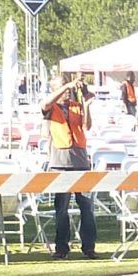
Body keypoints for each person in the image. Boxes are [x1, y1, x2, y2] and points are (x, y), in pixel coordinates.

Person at [42, 73, 98, 259]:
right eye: (63, 86)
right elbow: (44, 104)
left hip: (80, 161)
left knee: (86, 206)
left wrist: (87, 105)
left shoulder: (76, 106)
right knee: (62, 208)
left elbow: (86, 125)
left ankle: (89, 247)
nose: (68, 90)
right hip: (60, 162)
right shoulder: (51, 108)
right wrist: (66, 87)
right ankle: (61, 247)